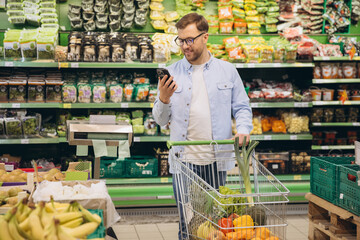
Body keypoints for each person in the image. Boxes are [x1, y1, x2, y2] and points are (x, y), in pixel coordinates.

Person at [152, 13, 253, 239]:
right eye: (181, 40)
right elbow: (159, 120)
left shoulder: (227, 70)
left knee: (217, 225)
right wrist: (164, 98)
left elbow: (242, 107)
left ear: (205, 37)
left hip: (216, 161)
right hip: (184, 163)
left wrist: (244, 129)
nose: (185, 46)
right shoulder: (172, 71)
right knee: (188, 224)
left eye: (190, 40)